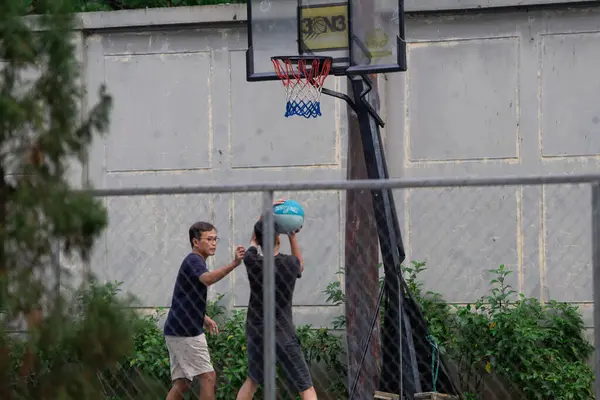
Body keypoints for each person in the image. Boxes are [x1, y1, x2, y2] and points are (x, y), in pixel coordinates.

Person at [236, 202, 318, 400]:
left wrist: (264, 215)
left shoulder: (252, 262)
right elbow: (300, 265)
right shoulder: (290, 264)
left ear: (258, 240)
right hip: (282, 330)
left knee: (253, 380)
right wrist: (292, 235)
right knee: (305, 385)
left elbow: (253, 242)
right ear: (278, 241)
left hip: (256, 330)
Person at [163, 221, 245, 400]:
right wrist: (234, 264)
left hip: (177, 329)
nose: (214, 243)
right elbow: (207, 279)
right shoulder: (194, 260)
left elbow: (185, 297)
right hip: (186, 332)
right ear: (195, 242)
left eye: (215, 239)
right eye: (209, 239)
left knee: (182, 383)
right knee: (208, 377)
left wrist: (204, 317)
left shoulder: (194, 261)